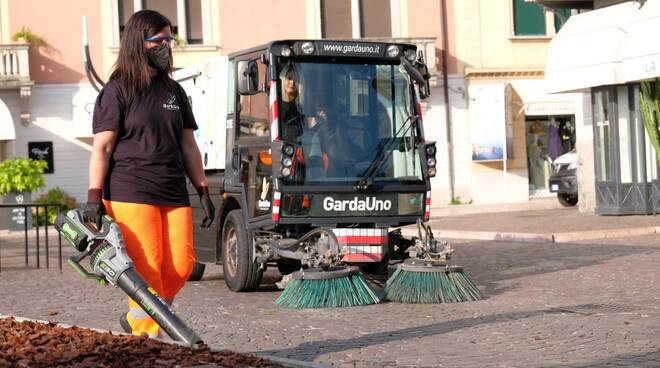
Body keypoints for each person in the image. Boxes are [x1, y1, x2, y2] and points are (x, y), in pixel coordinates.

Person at [85, 10, 214, 338]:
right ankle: (147, 339)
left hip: (172, 190)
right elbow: (102, 147)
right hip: (130, 189)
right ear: (138, 43)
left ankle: (138, 318)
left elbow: (188, 145)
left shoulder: (174, 92)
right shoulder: (117, 91)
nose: (166, 48)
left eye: (169, 41)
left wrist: (202, 187)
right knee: (149, 271)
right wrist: (93, 197)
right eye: (159, 41)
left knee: (181, 267)